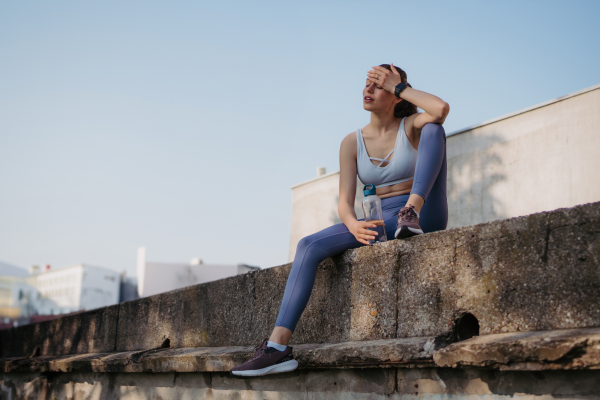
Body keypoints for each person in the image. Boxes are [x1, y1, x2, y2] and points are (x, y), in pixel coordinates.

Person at [230, 63, 449, 377]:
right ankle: (277, 348)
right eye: (368, 84)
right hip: (379, 218)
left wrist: (397, 84)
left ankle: (410, 210)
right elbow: (345, 203)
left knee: (434, 128)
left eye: (379, 85)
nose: (369, 90)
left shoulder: (412, 125)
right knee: (308, 245)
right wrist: (354, 225)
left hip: (423, 211)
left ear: (397, 95)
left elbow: (441, 109)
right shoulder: (352, 142)